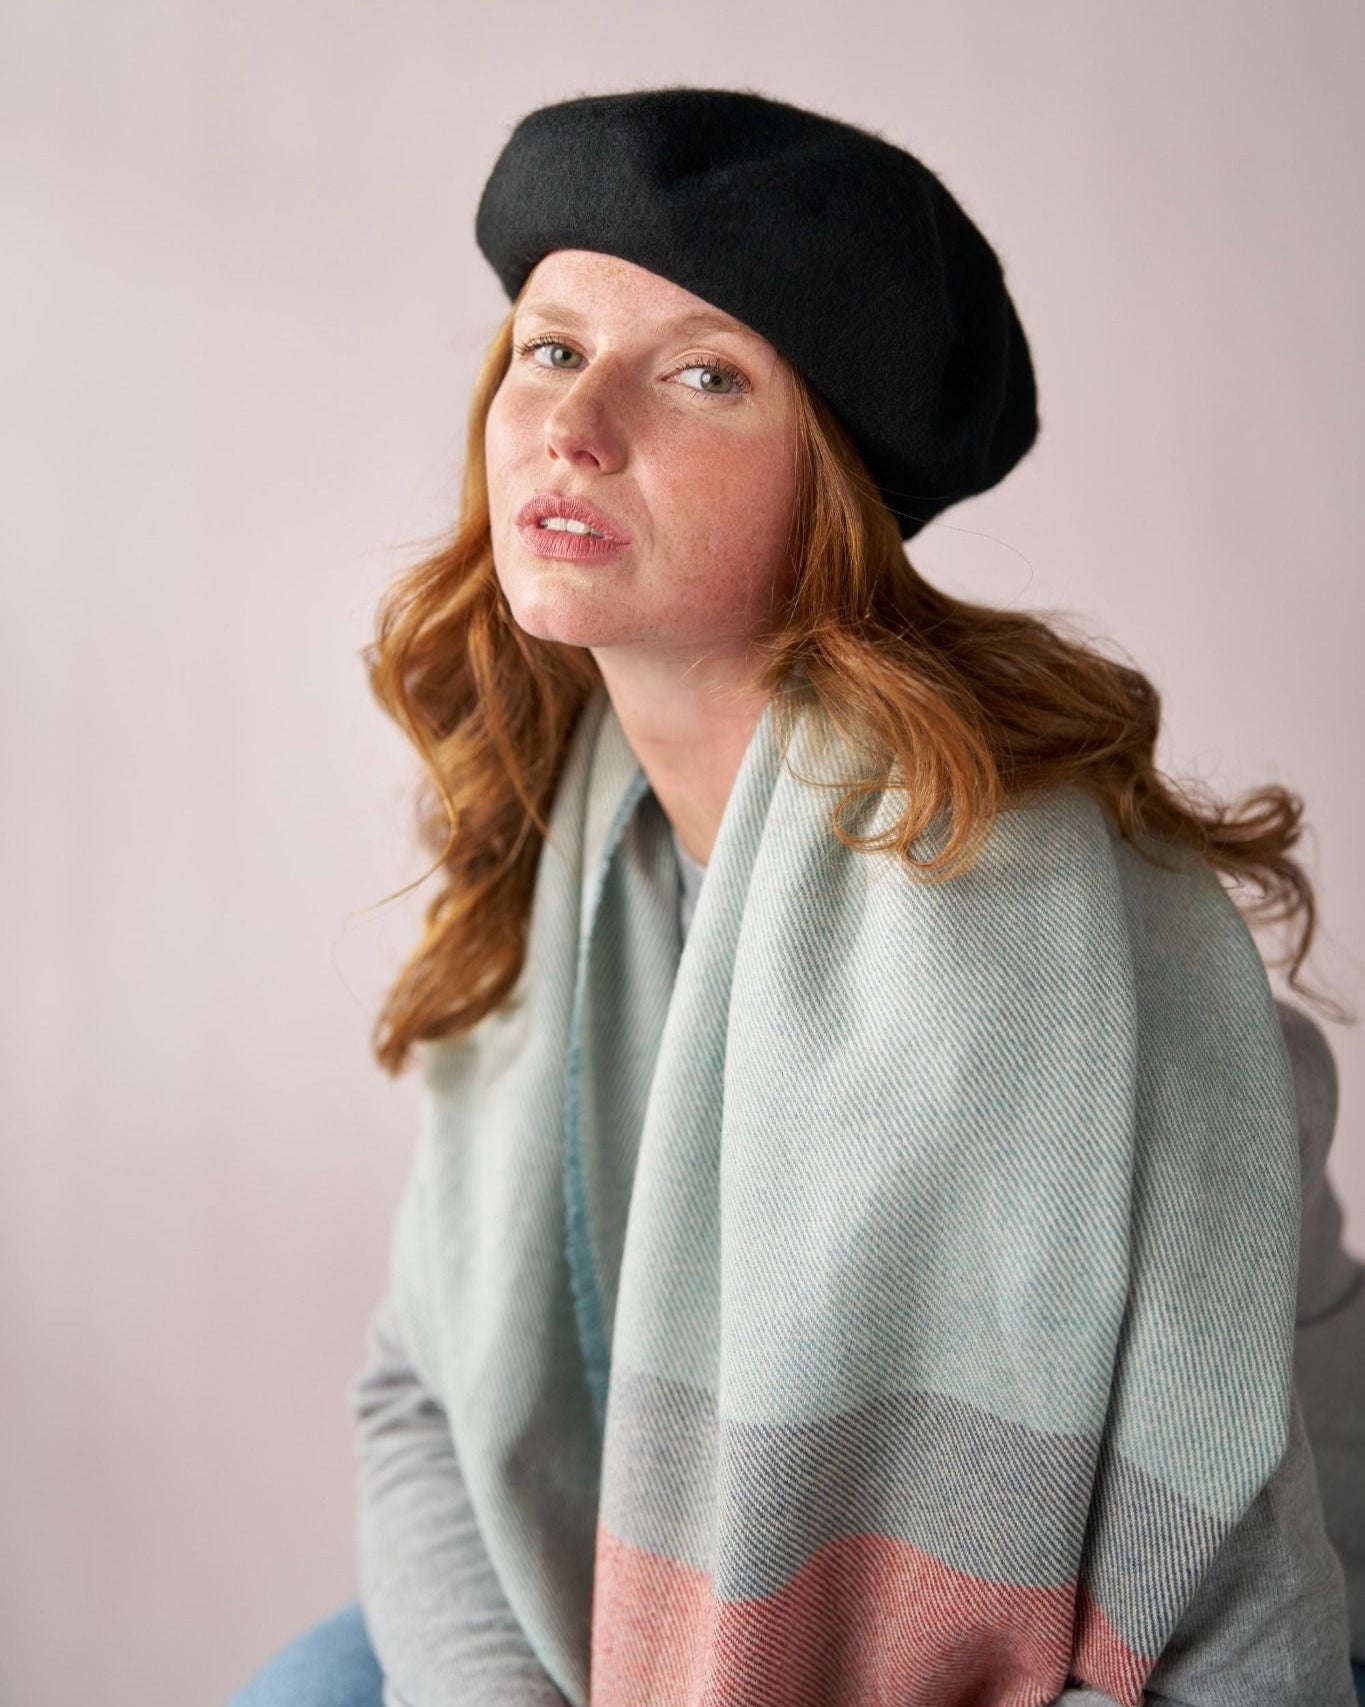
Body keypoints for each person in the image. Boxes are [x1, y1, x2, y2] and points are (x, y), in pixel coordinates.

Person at [229, 87, 1364, 1706]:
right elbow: (425, 1388)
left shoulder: (1015, 926)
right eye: (551, 349)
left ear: (830, 486)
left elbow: (1228, 1611)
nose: (577, 423)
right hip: (632, 1599)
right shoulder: (568, 832)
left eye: (700, 374)